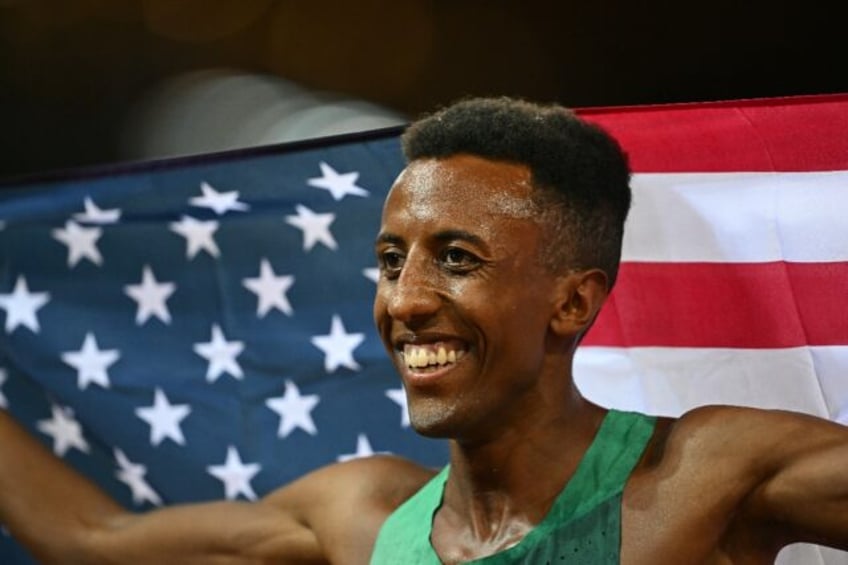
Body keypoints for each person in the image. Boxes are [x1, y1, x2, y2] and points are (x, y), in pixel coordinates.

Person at [1, 96, 847, 564]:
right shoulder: (362, 513)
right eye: (390, 258)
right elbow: (91, 539)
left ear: (573, 303)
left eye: (457, 258)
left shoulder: (705, 477)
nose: (403, 302)